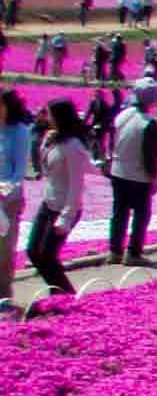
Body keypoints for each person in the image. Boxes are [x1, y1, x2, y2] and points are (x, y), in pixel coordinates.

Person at [22, 100, 91, 315]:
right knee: (34, 252)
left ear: (59, 116)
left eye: (48, 113)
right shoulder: (54, 139)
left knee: (48, 256)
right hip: (48, 203)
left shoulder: (74, 146)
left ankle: (66, 297)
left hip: (63, 208)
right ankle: (60, 295)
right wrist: (45, 143)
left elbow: (76, 184)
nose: (45, 116)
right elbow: (45, 168)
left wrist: (66, 217)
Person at [106, 80, 157, 264]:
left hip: (118, 171)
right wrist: (153, 177)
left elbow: (111, 142)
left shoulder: (122, 115)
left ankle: (115, 251)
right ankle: (133, 253)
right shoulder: (149, 123)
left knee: (119, 213)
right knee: (141, 214)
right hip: (138, 175)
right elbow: (150, 155)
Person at [0, 89, 30, 302]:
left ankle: (3, 294)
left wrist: (3, 193)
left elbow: (18, 172)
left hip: (7, 200)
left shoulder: (19, 132)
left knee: (4, 250)